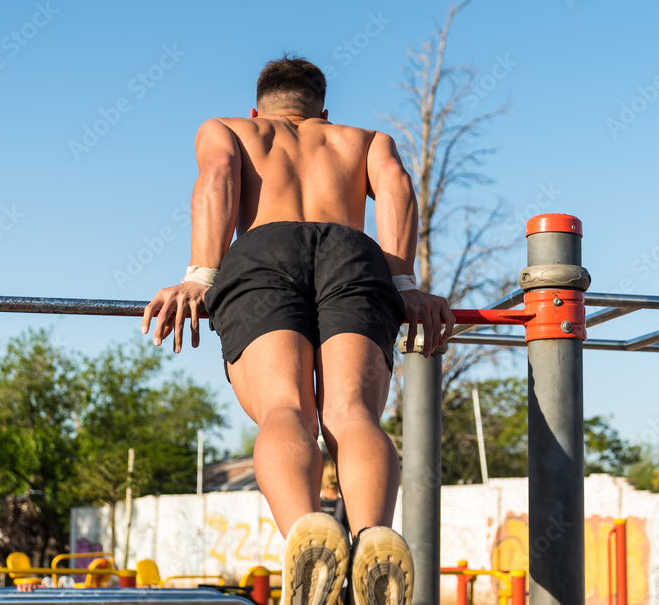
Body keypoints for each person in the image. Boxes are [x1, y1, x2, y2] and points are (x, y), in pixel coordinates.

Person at [142, 55, 454, 605]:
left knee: (286, 407)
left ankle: (308, 531)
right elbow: (398, 187)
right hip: (354, 254)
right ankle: (374, 534)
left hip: (266, 250)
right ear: (324, 112)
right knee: (351, 411)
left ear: (259, 109)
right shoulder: (365, 139)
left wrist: (200, 276)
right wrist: (404, 283)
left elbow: (218, 176)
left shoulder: (230, 129)